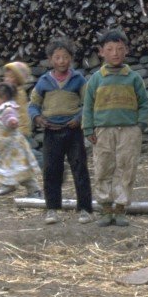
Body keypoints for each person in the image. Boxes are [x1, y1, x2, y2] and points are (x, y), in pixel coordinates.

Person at [82, 29, 148, 227]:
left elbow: (144, 103)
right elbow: (88, 106)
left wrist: (140, 126)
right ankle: (105, 208)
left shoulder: (134, 78)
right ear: (101, 52)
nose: (115, 53)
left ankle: (120, 208)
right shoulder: (96, 79)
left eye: (119, 49)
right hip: (103, 132)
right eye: (110, 49)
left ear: (126, 50)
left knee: (126, 168)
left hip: (129, 131)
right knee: (103, 167)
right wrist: (88, 129)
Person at [29, 38, 93, 225]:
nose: (62, 61)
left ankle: (85, 209)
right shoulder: (44, 82)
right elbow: (33, 105)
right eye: (57, 57)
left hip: (73, 131)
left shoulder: (78, 79)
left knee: (79, 168)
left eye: (65, 57)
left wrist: (79, 118)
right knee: (51, 170)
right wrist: (37, 118)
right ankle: (52, 209)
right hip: (52, 132)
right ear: (51, 60)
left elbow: (89, 102)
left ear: (71, 59)